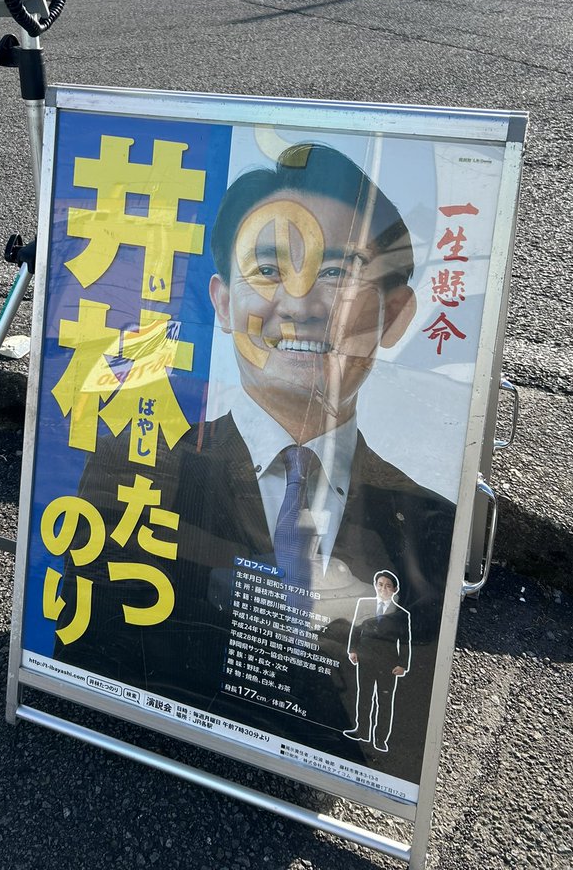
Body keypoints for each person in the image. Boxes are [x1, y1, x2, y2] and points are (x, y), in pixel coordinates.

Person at [53, 143, 455, 770]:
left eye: (337, 272)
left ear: (395, 311)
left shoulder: (430, 522)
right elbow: (88, 654)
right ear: (222, 302)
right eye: (267, 269)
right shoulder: (134, 466)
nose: (299, 305)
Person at [345, 570, 411, 753]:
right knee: (364, 695)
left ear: (395, 589)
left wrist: (403, 664)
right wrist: (352, 649)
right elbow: (356, 628)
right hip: (365, 657)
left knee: (384, 701)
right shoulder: (364, 604)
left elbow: (405, 641)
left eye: (388, 586)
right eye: (380, 584)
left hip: (388, 663)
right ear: (375, 586)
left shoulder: (401, 614)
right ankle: (361, 731)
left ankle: (381, 739)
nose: (383, 589)